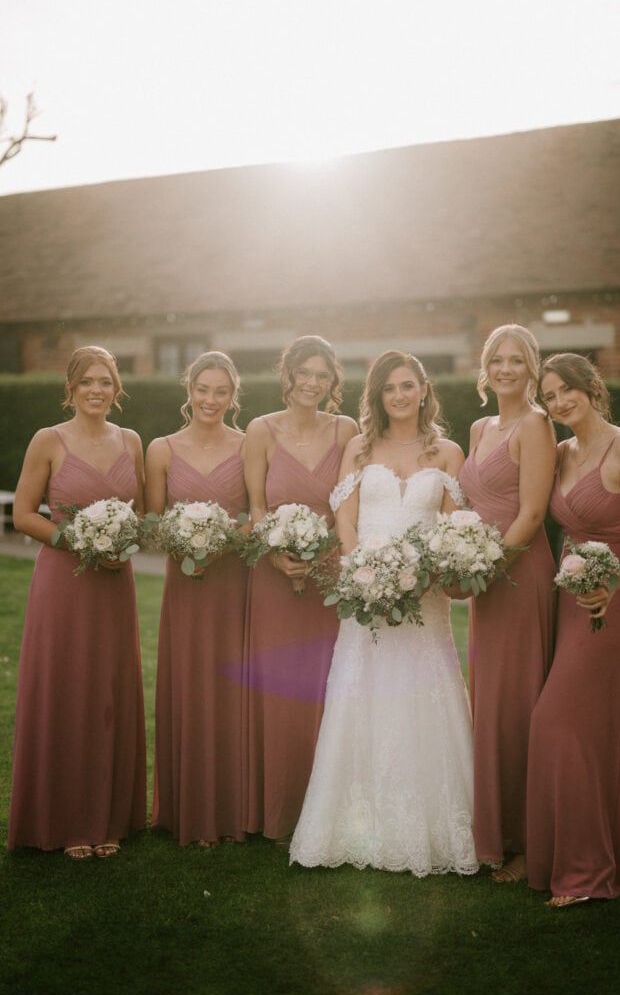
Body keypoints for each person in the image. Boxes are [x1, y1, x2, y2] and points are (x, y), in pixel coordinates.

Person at [289, 350, 479, 878]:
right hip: (364, 594)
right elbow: (344, 520)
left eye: (407, 385)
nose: (399, 395)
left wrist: (417, 577)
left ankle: (431, 829)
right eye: (389, 388)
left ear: (423, 389)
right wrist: (362, 574)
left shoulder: (448, 453)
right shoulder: (359, 446)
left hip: (425, 598)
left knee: (425, 692)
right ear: (378, 395)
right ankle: (353, 825)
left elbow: (450, 527)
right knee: (362, 692)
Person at [527, 353, 620, 907]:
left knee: (556, 723)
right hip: (572, 600)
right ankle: (619, 849)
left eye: (568, 391)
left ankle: (590, 872)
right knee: (590, 729)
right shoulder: (560, 452)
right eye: (551, 395)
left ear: (591, 389)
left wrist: (614, 582)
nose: (560, 402)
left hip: (616, 601)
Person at [8, 346, 146, 859]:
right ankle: (65, 821)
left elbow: (147, 513)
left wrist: (124, 542)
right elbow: (23, 515)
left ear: (116, 388)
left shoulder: (131, 442)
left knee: (109, 691)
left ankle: (108, 817)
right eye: (87, 381)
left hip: (116, 582)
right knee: (67, 689)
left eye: (106, 381)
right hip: (63, 581)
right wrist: (80, 541)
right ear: (70, 388)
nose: (96, 389)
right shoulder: (49, 440)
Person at [242, 336, 358, 843]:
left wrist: (321, 555)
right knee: (279, 688)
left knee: (329, 687)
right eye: (304, 373)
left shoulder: (347, 430)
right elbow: (257, 509)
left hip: (329, 578)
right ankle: (279, 810)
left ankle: (329, 811)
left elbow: (349, 507)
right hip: (273, 575)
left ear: (333, 383)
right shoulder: (260, 430)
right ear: (286, 376)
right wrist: (279, 553)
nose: (312, 383)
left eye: (323, 376)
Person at [458, 324, 556, 882]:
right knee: (490, 704)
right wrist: (460, 560)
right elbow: (474, 504)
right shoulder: (478, 427)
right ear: (486, 366)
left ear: (532, 368)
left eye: (517, 360)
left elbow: (533, 514)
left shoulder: (536, 424)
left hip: (518, 578)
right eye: (498, 358)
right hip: (483, 580)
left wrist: (489, 568)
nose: (506, 368)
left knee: (518, 705)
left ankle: (525, 842)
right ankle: (492, 833)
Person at [145, 351, 249, 847]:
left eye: (221, 391)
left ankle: (234, 808)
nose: (211, 399)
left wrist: (223, 541)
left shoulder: (250, 445)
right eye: (202, 389)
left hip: (234, 585)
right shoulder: (161, 449)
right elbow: (152, 522)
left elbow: (255, 515)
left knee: (236, 689)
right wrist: (187, 544)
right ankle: (188, 807)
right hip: (185, 585)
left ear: (233, 396)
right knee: (189, 685)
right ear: (189, 390)